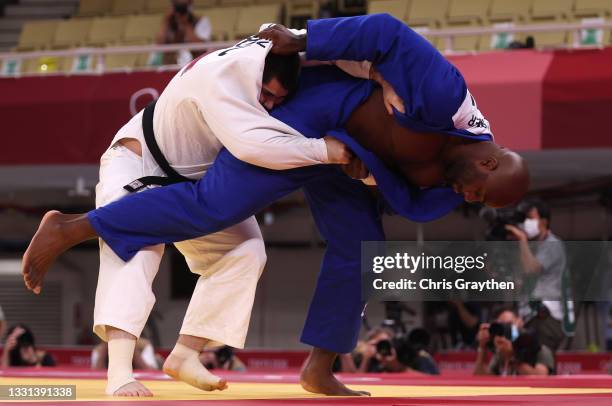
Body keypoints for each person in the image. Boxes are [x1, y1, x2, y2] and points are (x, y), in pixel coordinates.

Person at [23, 14, 530, 396]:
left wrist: (363, 167)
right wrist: (307, 41)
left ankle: (319, 368)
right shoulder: (445, 97)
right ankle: (72, 228)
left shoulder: (455, 179)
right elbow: (386, 33)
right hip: (315, 114)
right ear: (487, 163)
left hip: (350, 155)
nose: (467, 198)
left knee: (362, 246)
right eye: (477, 191)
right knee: (214, 206)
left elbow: (408, 195)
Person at [505, 200, 569, 352]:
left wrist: (522, 240)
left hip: (546, 317)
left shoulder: (553, 244)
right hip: (527, 316)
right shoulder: (531, 246)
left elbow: (532, 269)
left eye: (531, 218)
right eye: (524, 218)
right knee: (523, 364)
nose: (526, 223)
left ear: (544, 221)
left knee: (540, 365)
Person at [474, 309, 555, 376]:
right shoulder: (501, 352)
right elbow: (481, 375)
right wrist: (482, 347)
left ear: (520, 322)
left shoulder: (540, 350)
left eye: (509, 324)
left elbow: (540, 378)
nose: (505, 331)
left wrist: (512, 356)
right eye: (501, 326)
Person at [156, 0, 211, 65]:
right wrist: (165, 22)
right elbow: (159, 43)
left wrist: (185, 24)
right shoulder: (169, 22)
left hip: (194, 66)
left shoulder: (200, 21)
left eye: (184, 6)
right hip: (171, 67)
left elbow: (201, 46)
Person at [91, 337, 160, 370]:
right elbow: (95, 374)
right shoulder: (99, 350)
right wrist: (104, 351)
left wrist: (133, 350)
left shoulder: (144, 346)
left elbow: (151, 371)